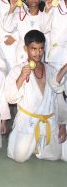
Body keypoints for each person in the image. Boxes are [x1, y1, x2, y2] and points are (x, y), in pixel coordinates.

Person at [5, 30, 67, 162]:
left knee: (55, 156)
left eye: (40, 49)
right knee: (19, 157)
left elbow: (59, 98)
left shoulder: (51, 70)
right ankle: (25, 141)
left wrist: (62, 124)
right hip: (28, 122)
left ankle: (38, 145)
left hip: (48, 121)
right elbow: (10, 98)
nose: (37, 53)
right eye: (33, 49)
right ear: (25, 48)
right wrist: (22, 77)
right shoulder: (17, 70)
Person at [3, 0, 47, 65]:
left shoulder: (45, 16)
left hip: (38, 53)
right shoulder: (19, 15)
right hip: (22, 53)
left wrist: (47, 57)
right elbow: (7, 27)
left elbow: (47, 36)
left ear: (40, 0)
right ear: (26, 0)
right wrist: (12, 8)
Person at [41, 0, 67, 70]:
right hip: (56, 56)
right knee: (54, 83)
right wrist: (47, 9)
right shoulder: (56, 5)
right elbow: (44, 28)